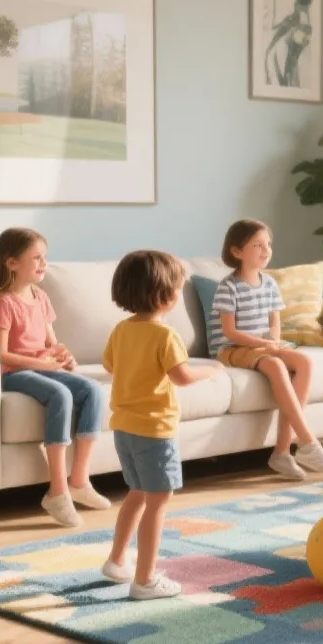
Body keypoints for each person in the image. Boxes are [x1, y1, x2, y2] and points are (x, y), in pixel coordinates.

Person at [101, 250, 217, 600]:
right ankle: (145, 580)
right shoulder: (165, 336)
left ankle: (116, 561)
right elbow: (181, 377)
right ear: (165, 295)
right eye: (179, 289)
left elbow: (110, 367)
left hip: (124, 426)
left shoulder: (121, 330)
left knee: (136, 494)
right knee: (158, 500)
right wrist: (209, 371)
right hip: (155, 430)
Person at [0, 227, 108, 528]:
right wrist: (41, 361)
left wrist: (62, 356)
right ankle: (57, 491)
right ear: (12, 263)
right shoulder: (4, 302)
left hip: (42, 367)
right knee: (61, 395)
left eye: (45, 258)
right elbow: (0, 354)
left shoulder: (41, 298)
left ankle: (79, 481)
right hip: (13, 374)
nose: (43, 264)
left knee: (93, 390)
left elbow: (52, 343)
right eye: (36, 258)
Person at [211, 219, 323, 481]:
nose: (265, 250)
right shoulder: (228, 287)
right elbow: (230, 332)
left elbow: (274, 323)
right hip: (234, 348)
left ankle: (282, 452)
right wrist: (265, 346)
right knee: (275, 365)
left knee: (304, 362)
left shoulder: (269, 284)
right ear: (237, 252)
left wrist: (274, 343)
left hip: (264, 345)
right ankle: (307, 442)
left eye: (268, 244)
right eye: (257, 245)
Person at [263, 0, 313, 89]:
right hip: (284, 59)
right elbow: (279, 29)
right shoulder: (292, 21)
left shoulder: (301, 25)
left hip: (287, 60)